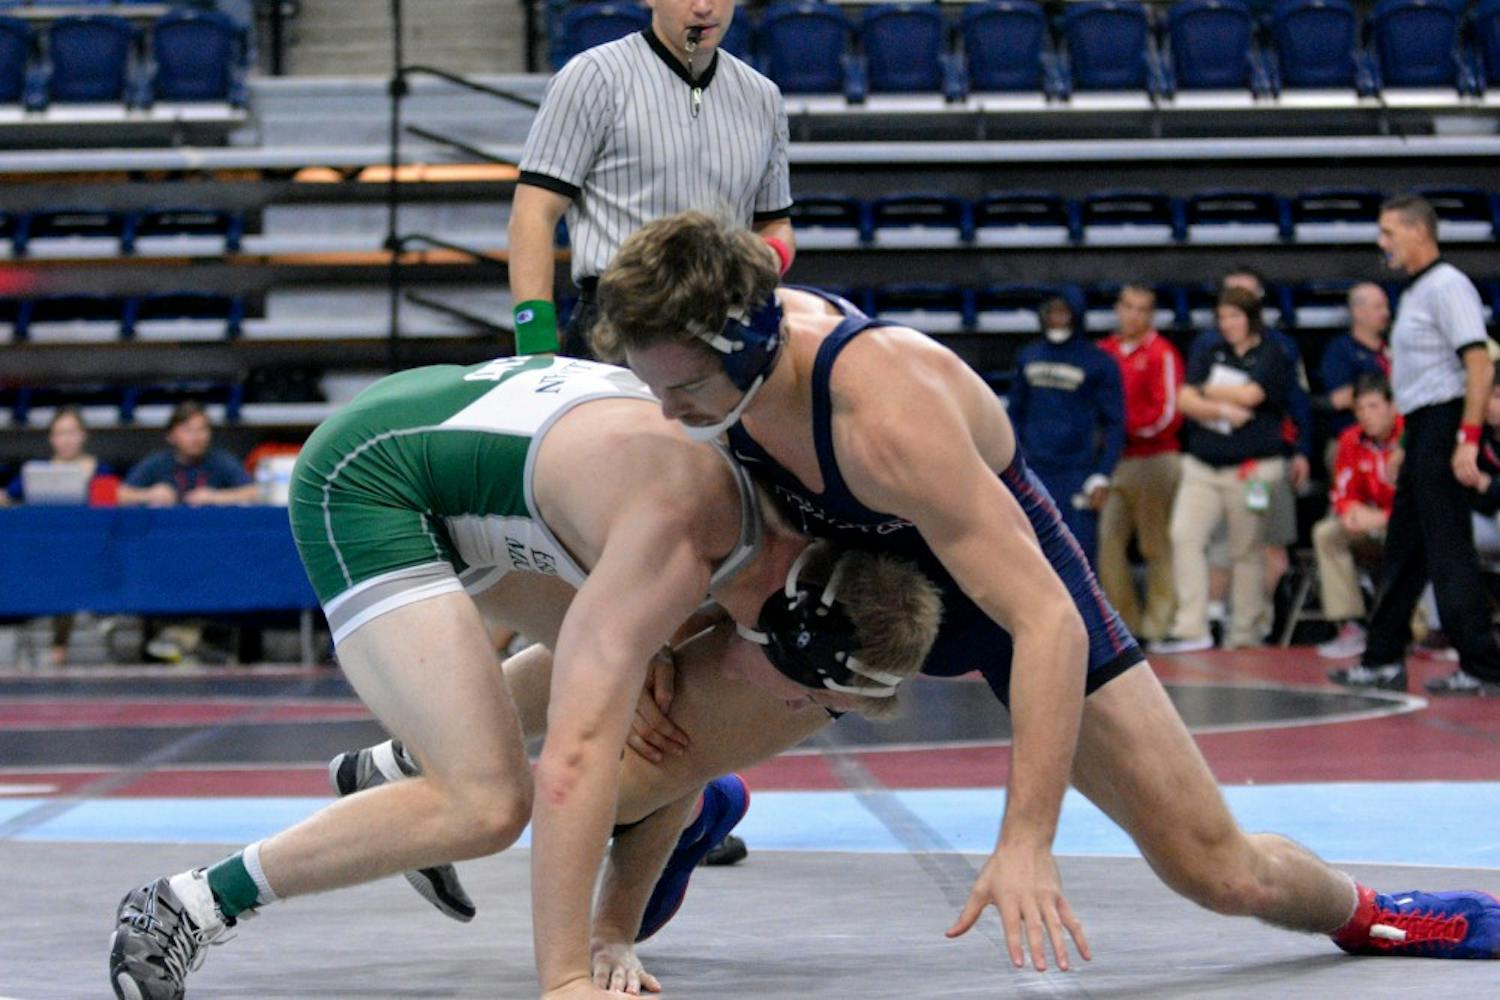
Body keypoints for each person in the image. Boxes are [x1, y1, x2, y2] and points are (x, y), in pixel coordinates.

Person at [595, 210, 1500, 974]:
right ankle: (692, 804)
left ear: (747, 345)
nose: (668, 414)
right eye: (655, 388)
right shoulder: (707, 368)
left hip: (1007, 596)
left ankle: (1376, 911)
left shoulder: (883, 410)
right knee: (633, 734)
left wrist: (1026, 837)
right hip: (851, 599)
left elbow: (1046, 620)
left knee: (1219, 873)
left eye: (684, 390)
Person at [108, 354, 941, 1000]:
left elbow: (686, 758)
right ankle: (186, 903)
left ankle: (395, 769)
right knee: (487, 804)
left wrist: (615, 931)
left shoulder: (770, 529)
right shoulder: (675, 556)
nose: (796, 709)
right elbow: (574, 769)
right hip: (375, 484)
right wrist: (567, 977)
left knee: (651, 685)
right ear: (780, 633)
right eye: (806, 695)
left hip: (480, 438)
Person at [508, 0, 794, 357]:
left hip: (722, 323)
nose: (704, 8)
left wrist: (759, 263)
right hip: (618, 322)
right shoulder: (593, 76)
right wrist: (535, 344)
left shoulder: (763, 97)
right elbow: (534, 212)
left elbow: (775, 222)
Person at [1329, 194, 1500, 696]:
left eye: (1389, 232)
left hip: (1445, 422)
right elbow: (1418, 378)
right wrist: (1407, 439)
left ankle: (1483, 664)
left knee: (1447, 547)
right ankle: (1382, 656)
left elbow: (1478, 364)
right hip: (1424, 426)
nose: (1382, 243)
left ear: (1419, 232)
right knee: (1407, 547)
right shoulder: (1417, 290)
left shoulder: (1448, 286)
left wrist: (1466, 438)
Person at [1155, 288, 1293, 652]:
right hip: (1203, 465)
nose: (1228, 324)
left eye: (1235, 316)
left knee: (1247, 548)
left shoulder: (1272, 353)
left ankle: (1245, 631)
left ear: (1251, 317)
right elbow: (1185, 399)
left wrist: (1208, 390)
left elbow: (1254, 396)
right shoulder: (1208, 349)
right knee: (1183, 534)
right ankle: (1191, 626)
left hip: (1252, 469)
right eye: (1222, 317)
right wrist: (1219, 409)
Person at [1005, 296, 1124, 566]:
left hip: (1077, 473)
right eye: (1052, 313)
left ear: (1076, 315)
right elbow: (1014, 415)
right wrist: (1014, 463)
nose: (1057, 319)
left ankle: (1080, 610)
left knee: (1078, 556)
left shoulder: (1098, 362)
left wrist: (1102, 474)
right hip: (1034, 470)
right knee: (1030, 553)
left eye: (1064, 313)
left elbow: (1115, 423)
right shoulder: (1028, 356)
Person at [1097, 285, 1185, 642]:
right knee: (1108, 539)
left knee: (1154, 543)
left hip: (1154, 458)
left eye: (1142, 309)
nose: (1134, 315)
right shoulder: (1104, 352)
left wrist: (1122, 432)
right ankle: (1125, 624)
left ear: (1151, 315)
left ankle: (1159, 623)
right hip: (1114, 461)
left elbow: (1168, 414)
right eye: (1128, 307)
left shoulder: (1162, 353)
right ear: (1118, 309)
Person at [3, 407, 114, 666]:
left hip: (89, 552)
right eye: (60, 433)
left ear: (83, 435)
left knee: (70, 573)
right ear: (52, 438)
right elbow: (8, 498)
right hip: (42, 554)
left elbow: (110, 507)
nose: (66, 439)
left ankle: (58, 646)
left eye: (72, 432)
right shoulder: (36, 472)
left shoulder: (101, 469)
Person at [1313, 374, 1402, 660]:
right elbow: (1342, 491)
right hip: (1368, 524)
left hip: (1401, 526)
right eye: (1360, 409)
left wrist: (1384, 518)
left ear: (1392, 407)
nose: (1366, 416)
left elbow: (1423, 501)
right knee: (1327, 533)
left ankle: (1419, 631)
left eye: (1374, 407)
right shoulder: (1350, 439)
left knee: (1417, 535)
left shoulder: (1409, 439)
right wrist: (1351, 511)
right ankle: (1351, 624)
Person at [116, 401, 260, 508]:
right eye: (188, 430)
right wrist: (149, 494)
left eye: (202, 429)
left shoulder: (221, 460)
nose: (197, 437)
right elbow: (121, 494)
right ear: (171, 435)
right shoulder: (158, 462)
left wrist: (215, 496)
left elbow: (254, 492)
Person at [1319, 282, 1392, 447]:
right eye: (1378, 307)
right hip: (1351, 440)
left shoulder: (1394, 345)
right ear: (1358, 312)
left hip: (1394, 438)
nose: (1386, 313)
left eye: (1386, 306)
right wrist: (1387, 387)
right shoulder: (1340, 350)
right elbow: (1339, 399)